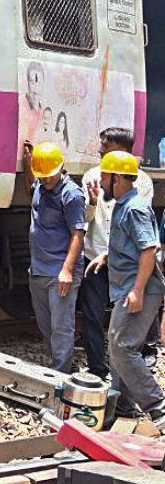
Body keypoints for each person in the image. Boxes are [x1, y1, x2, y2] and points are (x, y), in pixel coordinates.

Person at [79, 128, 156, 380]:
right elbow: (85, 220)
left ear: (122, 150)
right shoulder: (92, 176)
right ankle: (98, 371)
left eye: (106, 145)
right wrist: (91, 203)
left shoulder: (142, 182)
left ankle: (130, 370)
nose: (100, 149)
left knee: (127, 322)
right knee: (92, 315)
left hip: (125, 264)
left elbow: (139, 233)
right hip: (96, 256)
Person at [96, 150, 165, 427]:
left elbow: (149, 250)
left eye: (104, 176)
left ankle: (158, 408)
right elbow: (132, 248)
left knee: (122, 347)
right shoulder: (124, 204)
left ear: (118, 179)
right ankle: (122, 405)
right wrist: (107, 256)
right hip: (129, 286)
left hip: (139, 289)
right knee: (117, 344)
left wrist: (137, 290)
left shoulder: (134, 208)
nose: (100, 181)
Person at [23, 141, 87, 373]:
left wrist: (67, 271)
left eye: (50, 176)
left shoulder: (72, 195)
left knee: (61, 326)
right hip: (39, 268)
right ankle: (58, 366)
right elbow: (30, 186)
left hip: (60, 269)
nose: (46, 180)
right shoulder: (41, 185)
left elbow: (77, 234)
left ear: (61, 167)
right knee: (45, 324)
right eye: (42, 176)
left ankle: (61, 374)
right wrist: (27, 163)